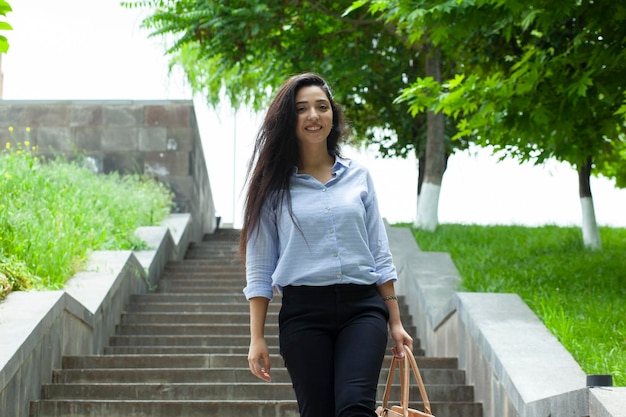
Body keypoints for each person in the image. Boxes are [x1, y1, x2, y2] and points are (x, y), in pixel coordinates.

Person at [240, 72, 413, 417]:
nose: (313, 116)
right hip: (303, 313)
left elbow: (379, 253)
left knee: (354, 408)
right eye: (302, 109)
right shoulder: (272, 187)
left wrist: (395, 321)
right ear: (289, 119)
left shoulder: (359, 177)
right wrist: (255, 337)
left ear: (333, 115)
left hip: (362, 308)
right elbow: (259, 268)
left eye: (322, 107)